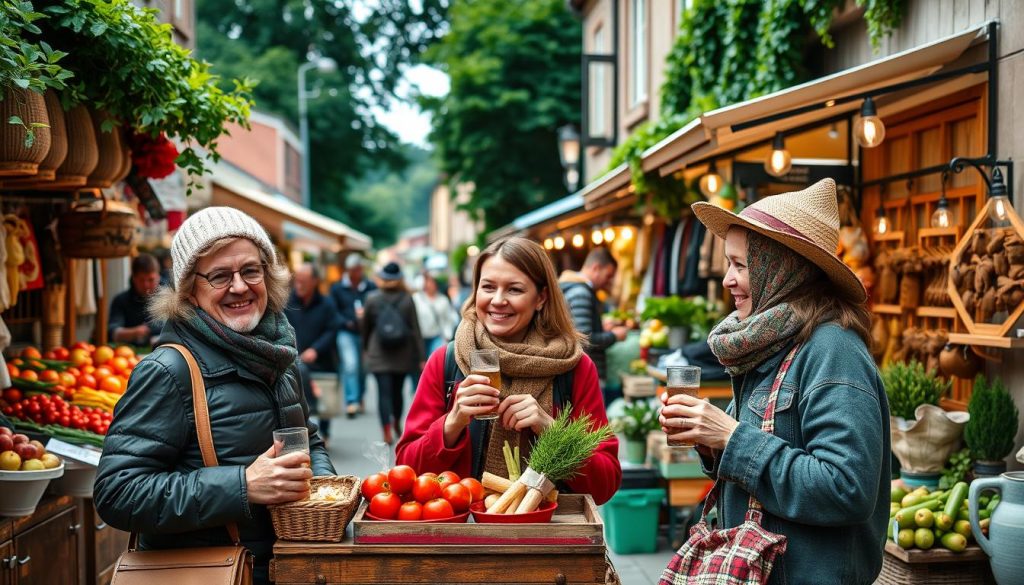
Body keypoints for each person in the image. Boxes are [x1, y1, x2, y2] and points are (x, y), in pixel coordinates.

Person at [660, 179, 890, 584]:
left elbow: (847, 488)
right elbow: (767, 447)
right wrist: (710, 441)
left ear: (779, 269)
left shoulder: (834, 352)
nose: (728, 279)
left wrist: (731, 438)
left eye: (740, 265)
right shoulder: (771, 343)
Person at [94, 207, 334, 585]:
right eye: (220, 275)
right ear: (190, 288)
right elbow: (117, 492)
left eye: (250, 270)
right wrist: (242, 485)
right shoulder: (168, 371)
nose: (239, 287)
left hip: (286, 569)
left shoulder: (278, 354)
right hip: (208, 574)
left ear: (268, 275)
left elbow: (308, 439)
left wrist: (324, 493)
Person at [396, 237, 621, 506]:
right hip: (459, 536)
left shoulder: (574, 366)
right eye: (488, 287)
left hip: (549, 536)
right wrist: (452, 422)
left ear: (541, 298)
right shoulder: (448, 361)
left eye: (514, 289)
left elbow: (605, 485)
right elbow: (406, 471)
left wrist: (552, 431)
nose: (498, 300)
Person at [362, 261, 424, 445]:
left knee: (384, 393)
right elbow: (415, 329)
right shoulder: (407, 299)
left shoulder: (372, 298)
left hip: (378, 352)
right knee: (398, 393)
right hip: (402, 354)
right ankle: (396, 421)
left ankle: (386, 430)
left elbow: (365, 328)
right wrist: (421, 356)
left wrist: (365, 349)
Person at [558, 247, 628, 404]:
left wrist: (601, 327)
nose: (609, 281)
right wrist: (615, 336)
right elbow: (583, 340)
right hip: (586, 376)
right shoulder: (581, 293)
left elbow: (577, 330)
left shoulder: (571, 287)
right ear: (596, 267)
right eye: (608, 275)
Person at [285, 263, 341, 445]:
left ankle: (325, 431)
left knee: (325, 397)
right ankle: (305, 433)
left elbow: (332, 330)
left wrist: (316, 349)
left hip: (322, 358)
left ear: (315, 281)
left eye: (304, 281)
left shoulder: (327, 303)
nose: (299, 285)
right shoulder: (287, 303)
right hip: (295, 360)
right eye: (297, 280)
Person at [329, 254, 377, 418]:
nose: (356, 273)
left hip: (366, 333)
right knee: (350, 365)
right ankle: (352, 401)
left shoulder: (370, 286)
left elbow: (376, 309)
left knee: (363, 368)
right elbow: (333, 311)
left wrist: (366, 316)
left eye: (358, 269)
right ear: (348, 270)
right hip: (346, 331)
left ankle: (359, 396)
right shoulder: (337, 288)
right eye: (353, 270)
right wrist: (347, 322)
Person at [108, 253, 164, 345]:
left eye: (150, 280)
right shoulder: (120, 300)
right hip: (127, 355)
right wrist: (133, 333)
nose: (146, 285)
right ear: (134, 278)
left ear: (158, 277)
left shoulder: (169, 299)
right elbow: (112, 332)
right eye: (141, 280)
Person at [413, 272, 458, 358]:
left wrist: (447, 336)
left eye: (431, 282)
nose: (429, 285)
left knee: (434, 359)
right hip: (420, 337)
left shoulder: (443, 300)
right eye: (427, 281)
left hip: (437, 336)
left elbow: (448, 319)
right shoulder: (416, 299)